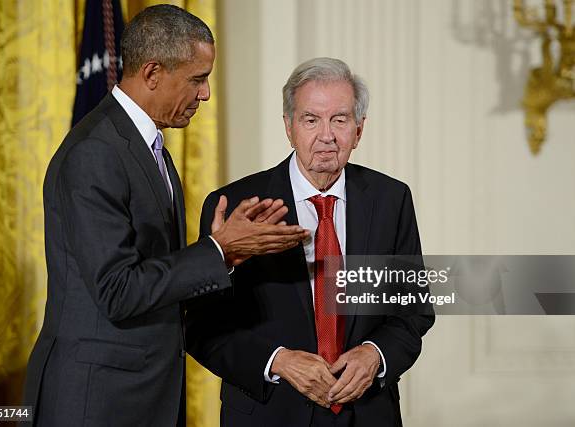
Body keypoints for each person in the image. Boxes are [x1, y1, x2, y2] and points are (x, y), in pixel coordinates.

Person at [23, 5, 308, 427]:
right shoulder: (95, 154)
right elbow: (117, 291)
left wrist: (225, 252)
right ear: (153, 73)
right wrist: (217, 250)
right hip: (97, 402)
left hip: (144, 396)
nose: (206, 93)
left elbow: (152, 273)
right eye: (197, 79)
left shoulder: (147, 146)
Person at [186, 57, 435, 427]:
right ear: (289, 127)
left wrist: (375, 354)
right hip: (269, 412)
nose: (327, 135)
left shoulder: (391, 199)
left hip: (367, 413)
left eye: (340, 119)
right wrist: (278, 361)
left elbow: (413, 311)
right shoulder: (238, 205)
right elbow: (201, 326)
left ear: (359, 130)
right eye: (311, 119)